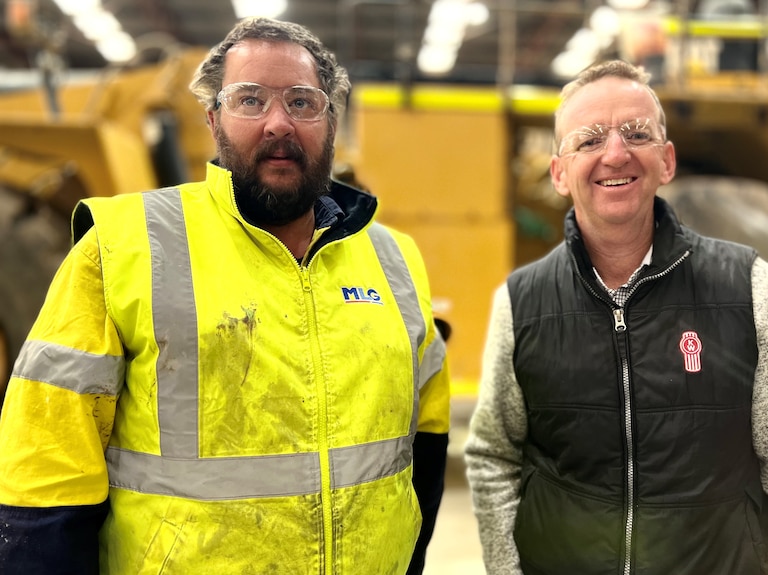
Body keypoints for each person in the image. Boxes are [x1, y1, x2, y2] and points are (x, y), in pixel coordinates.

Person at [0, 17, 450, 575]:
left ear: (331, 119)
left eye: (304, 102)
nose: (278, 123)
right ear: (213, 119)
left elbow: (423, 451)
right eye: (250, 100)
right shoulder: (122, 246)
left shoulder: (395, 260)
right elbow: (48, 468)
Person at [464, 59, 768, 574]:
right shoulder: (521, 303)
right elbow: (495, 457)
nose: (614, 153)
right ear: (558, 173)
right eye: (588, 140)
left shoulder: (747, 286)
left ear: (666, 160)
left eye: (636, 133)